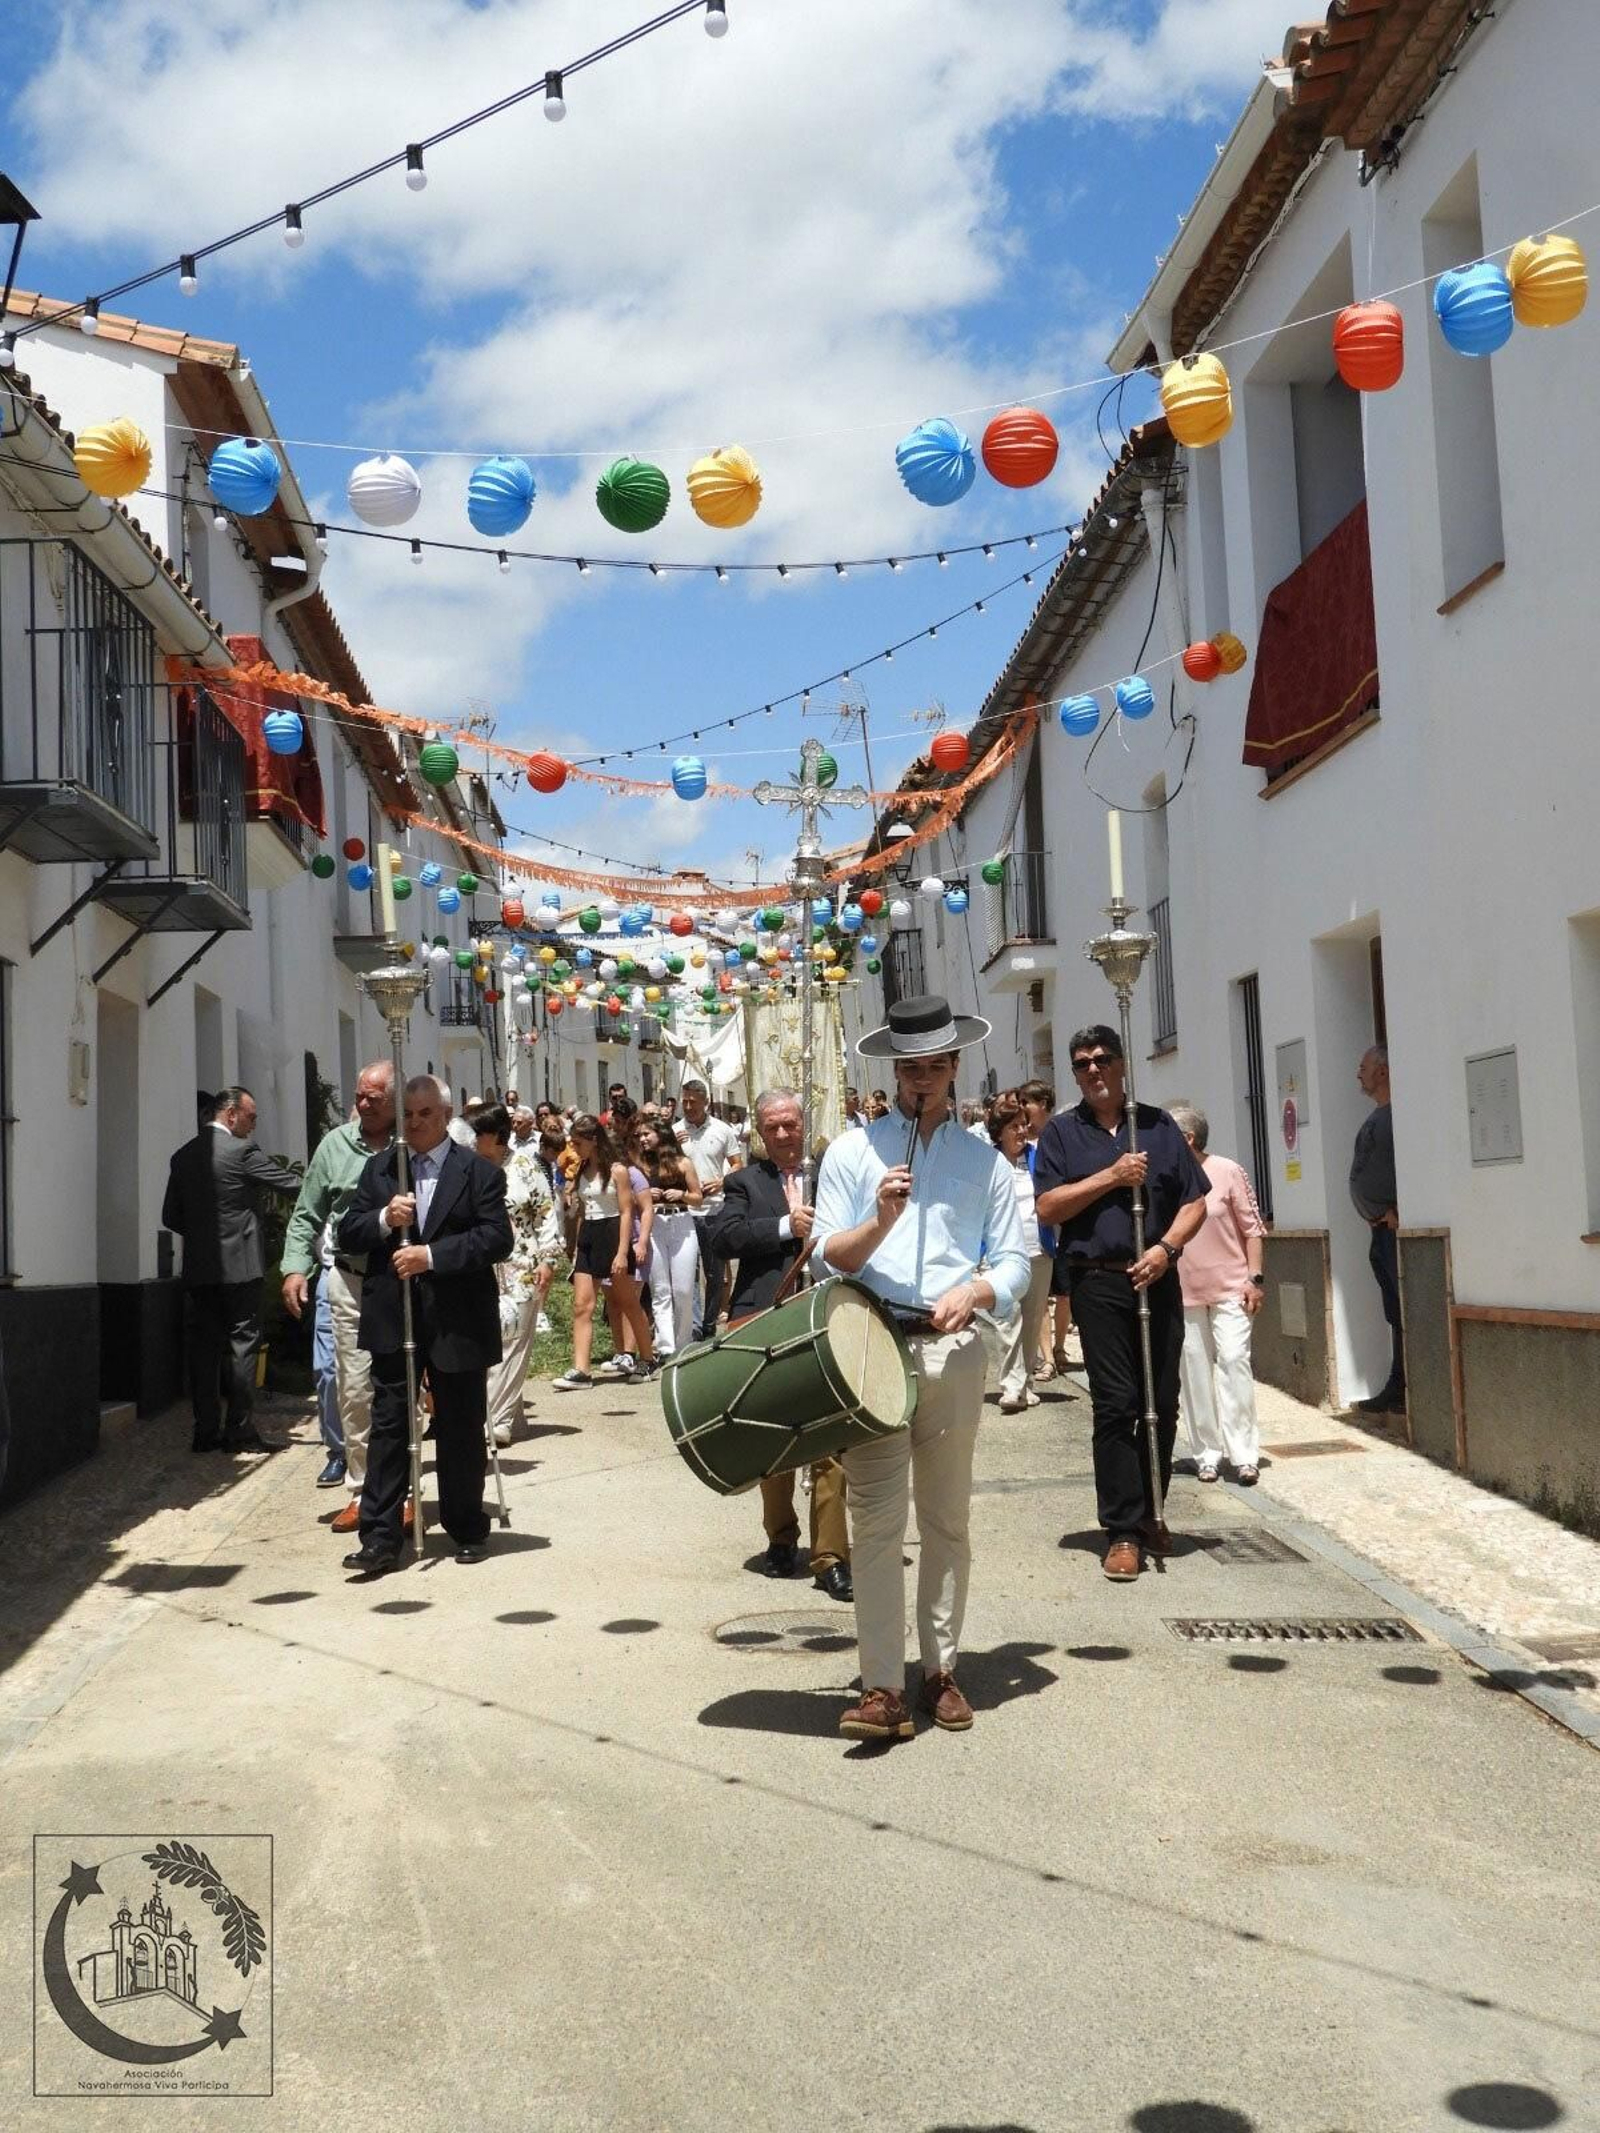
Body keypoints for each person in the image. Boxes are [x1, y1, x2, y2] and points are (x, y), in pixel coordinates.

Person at [811, 996, 1029, 1740]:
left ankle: (940, 1669)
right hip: (871, 1343)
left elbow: (1014, 1260)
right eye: (911, 1067)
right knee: (875, 1520)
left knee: (946, 1518)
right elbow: (825, 1256)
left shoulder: (984, 1162)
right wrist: (879, 1219)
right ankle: (881, 1685)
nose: (923, 1079)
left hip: (952, 1349)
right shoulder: (852, 1153)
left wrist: (978, 1290)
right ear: (894, 1071)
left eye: (936, 1065)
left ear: (954, 1066)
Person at [1033, 1026, 1208, 1582]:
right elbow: (1048, 1207)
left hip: (1157, 1274)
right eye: (1081, 1063)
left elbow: (1195, 1202)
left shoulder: (1157, 1126)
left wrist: (1166, 1249)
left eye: (1102, 1059)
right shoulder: (1062, 1133)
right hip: (1098, 1282)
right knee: (1116, 1403)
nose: (1093, 1070)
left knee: (1162, 1398)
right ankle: (1122, 1530)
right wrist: (1111, 1177)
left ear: (1122, 1063)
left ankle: (1154, 1509)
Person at [337, 1074, 512, 1576]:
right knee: (390, 1425)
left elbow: (496, 1239)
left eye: (425, 1114)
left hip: (458, 1320)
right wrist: (383, 1220)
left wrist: (431, 1256)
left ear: (446, 1116)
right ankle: (380, 1536)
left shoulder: (477, 1173)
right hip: (395, 1318)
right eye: (408, 1115)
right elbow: (349, 1230)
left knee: (459, 1426)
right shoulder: (381, 1169)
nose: (414, 1124)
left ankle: (466, 1525)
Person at [705, 1089, 853, 1604]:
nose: (785, 1134)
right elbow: (724, 1238)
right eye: (774, 1127)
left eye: (791, 1123)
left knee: (830, 1440)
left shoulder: (832, 1173)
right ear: (761, 1134)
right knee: (775, 1436)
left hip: (828, 1315)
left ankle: (831, 1557)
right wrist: (786, 1226)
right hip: (765, 1319)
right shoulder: (745, 1182)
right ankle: (781, 1538)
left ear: (803, 1123)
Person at [281, 1062, 397, 1527]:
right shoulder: (335, 1144)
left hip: (400, 1279)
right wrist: (295, 1267)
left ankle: (405, 1491)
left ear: (395, 1101)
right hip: (347, 1279)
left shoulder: (410, 1143)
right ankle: (362, 1490)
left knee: (401, 1390)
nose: (363, 1104)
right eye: (359, 1095)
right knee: (352, 1389)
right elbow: (307, 1212)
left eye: (374, 1098)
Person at [162, 1087, 301, 1454]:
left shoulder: (182, 1155)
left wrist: (204, 1237)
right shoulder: (242, 1152)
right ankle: (239, 1430)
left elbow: (170, 1216)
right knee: (243, 1345)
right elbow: (290, 1183)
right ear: (231, 1114)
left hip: (200, 1268)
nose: (253, 1126)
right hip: (241, 1265)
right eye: (251, 1118)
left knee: (204, 1349)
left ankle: (205, 1431)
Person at [1169, 1102, 1266, 1485]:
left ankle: (1244, 1454)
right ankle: (1206, 1454)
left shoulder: (1227, 1171)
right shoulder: (1164, 1177)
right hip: (1183, 1291)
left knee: (1234, 1361)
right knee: (1193, 1370)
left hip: (1231, 1287)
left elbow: (1252, 1228)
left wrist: (1254, 1278)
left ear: (1188, 1139)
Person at [475, 1103, 563, 1446]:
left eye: (479, 1134)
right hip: (479, 1266)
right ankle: (513, 1416)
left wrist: (548, 1260)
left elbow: (546, 1214)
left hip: (522, 1265)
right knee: (490, 1341)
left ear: (496, 1136)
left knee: (512, 1341)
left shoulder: (525, 1167)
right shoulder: (468, 1167)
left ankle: (495, 1420)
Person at [550, 1116, 656, 1391]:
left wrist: (622, 1252)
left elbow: (626, 1212)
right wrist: (576, 1246)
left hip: (612, 1234)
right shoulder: (581, 1169)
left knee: (627, 1302)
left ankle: (647, 1358)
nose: (573, 1148)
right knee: (582, 1305)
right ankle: (581, 1370)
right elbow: (583, 1211)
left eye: (578, 1143)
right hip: (589, 1235)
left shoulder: (618, 1170)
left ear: (594, 1140)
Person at [988, 1100, 1052, 1414]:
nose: (1022, 1131)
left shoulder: (1037, 1158)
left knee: (1031, 1319)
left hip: (1038, 1249)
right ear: (999, 1133)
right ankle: (1012, 1387)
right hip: (1002, 1255)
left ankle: (1025, 1383)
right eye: (1014, 1126)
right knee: (1007, 1318)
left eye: (1024, 1125)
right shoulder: (988, 1162)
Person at [1351, 1044, 1404, 1415]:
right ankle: (1396, 1385)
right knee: (1392, 1311)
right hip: (1378, 1230)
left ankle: (1400, 1388)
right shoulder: (1377, 1116)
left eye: (1363, 1066)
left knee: (1401, 1312)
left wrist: (1401, 1207)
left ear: (1382, 1071)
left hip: (1392, 1230)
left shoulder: (1399, 1114)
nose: (1359, 1073)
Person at [675, 1080, 741, 1339]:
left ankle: (709, 1322)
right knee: (687, 1272)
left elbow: (737, 1164)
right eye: (685, 1101)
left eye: (693, 1101)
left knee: (714, 1272)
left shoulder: (722, 1130)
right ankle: (692, 1325)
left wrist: (722, 1181)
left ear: (706, 1102)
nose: (688, 1106)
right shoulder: (675, 1131)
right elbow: (662, 1165)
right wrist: (672, 1145)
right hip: (685, 1211)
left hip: (714, 1210)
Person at [633, 1122, 702, 1360]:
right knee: (660, 1289)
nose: (642, 1139)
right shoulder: (641, 1166)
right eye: (640, 1135)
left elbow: (698, 1198)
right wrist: (644, 1196)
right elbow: (629, 1198)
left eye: (646, 1134)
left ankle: (683, 1343)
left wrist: (682, 1195)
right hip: (653, 1224)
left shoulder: (683, 1163)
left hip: (681, 1222)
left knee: (683, 1289)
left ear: (661, 1134)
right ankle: (665, 1347)